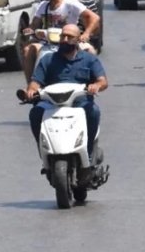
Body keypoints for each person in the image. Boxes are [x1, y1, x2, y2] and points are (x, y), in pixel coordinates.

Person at [24, 23, 108, 182]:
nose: (65, 39)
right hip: (51, 102)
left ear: (77, 40)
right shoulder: (48, 59)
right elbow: (35, 82)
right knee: (36, 113)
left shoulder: (89, 59)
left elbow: (103, 81)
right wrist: (31, 90)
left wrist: (95, 86)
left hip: (79, 102)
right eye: (63, 36)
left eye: (69, 37)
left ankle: (88, 158)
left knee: (93, 112)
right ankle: (45, 154)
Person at [21, 0, 101, 82]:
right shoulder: (43, 5)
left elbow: (94, 18)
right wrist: (30, 30)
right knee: (27, 50)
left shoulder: (70, 4)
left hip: (69, 42)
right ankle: (31, 87)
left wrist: (86, 34)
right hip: (47, 43)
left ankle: (92, 83)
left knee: (90, 50)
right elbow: (34, 25)